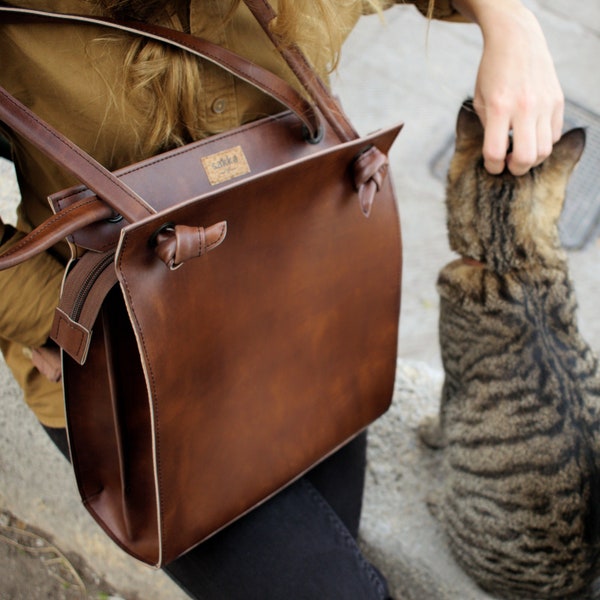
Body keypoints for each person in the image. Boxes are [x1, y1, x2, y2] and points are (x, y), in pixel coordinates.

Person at [0, 1, 564, 598]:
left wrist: (511, 23)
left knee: (336, 550)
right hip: (134, 381)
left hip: (308, 321)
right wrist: (50, 315)